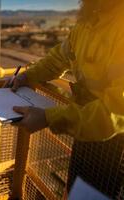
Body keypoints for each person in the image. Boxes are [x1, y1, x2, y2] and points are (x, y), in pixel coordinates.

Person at [11, 0, 124, 199]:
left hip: (116, 143)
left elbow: (116, 111)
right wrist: (26, 77)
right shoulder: (86, 25)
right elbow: (57, 60)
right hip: (87, 128)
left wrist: (49, 117)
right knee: (78, 190)